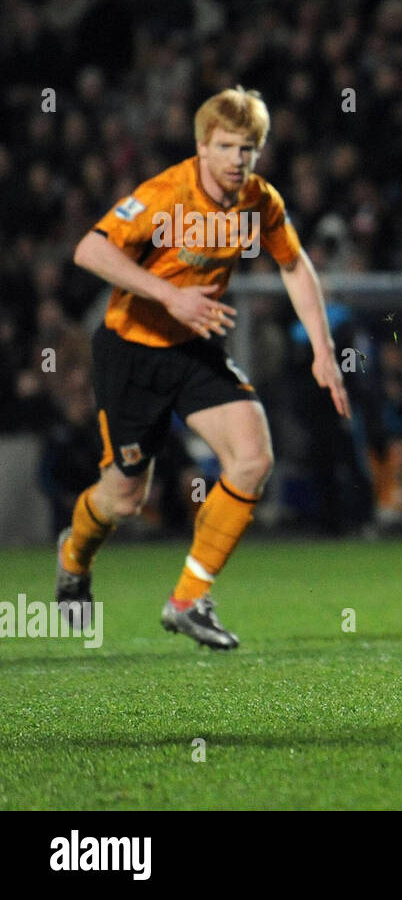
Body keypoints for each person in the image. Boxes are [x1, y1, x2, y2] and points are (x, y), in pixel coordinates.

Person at [56, 86, 350, 648]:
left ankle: (188, 599)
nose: (238, 160)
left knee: (253, 457)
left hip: (194, 349)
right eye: (227, 147)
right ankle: (74, 559)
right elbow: (90, 251)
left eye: (249, 149)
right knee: (123, 499)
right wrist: (168, 296)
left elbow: (295, 266)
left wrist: (323, 350)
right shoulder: (166, 192)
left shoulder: (260, 199)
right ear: (202, 146)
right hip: (132, 350)